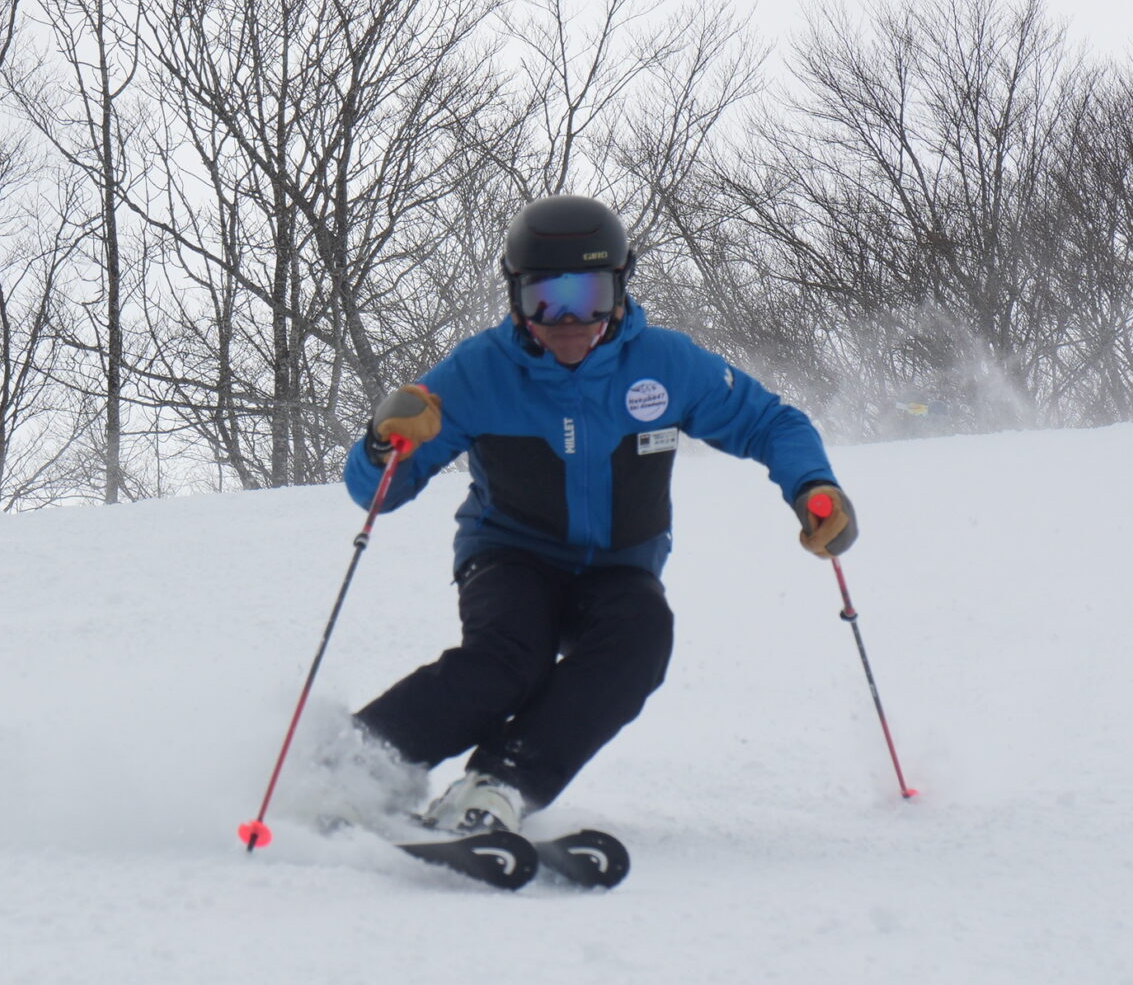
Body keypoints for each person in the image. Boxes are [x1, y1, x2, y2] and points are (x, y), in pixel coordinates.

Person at [345, 194, 856, 838]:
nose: (567, 321)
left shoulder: (666, 364)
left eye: (588, 296)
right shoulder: (479, 373)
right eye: (545, 299)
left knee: (640, 640)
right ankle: (349, 766)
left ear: (620, 289)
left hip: (620, 564)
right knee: (510, 661)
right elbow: (378, 491)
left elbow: (769, 422)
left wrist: (813, 485)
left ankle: (499, 784)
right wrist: (383, 444)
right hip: (512, 555)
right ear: (516, 296)